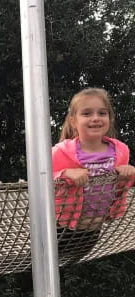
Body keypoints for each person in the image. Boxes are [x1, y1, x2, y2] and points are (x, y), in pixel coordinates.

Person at [52, 87, 135, 264]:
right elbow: (41, 178)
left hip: (93, 229)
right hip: (63, 226)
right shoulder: (60, 152)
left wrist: (129, 172)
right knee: (38, 262)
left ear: (109, 119)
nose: (95, 118)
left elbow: (122, 186)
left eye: (102, 113)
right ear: (74, 121)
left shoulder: (120, 151)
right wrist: (66, 173)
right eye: (87, 113)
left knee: (68, 263)